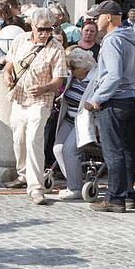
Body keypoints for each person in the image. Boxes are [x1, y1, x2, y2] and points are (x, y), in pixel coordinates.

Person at [2, 8, 68, 205]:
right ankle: (23, 175)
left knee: (33, 141)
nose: (45, 33)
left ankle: (36, 187)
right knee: (18, 139)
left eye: (49, 29)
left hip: (41, 102)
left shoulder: (56, 48)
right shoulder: (20, 40)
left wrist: (45, 88)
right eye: (41, 29)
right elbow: (9, 63)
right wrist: (7, 74)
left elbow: (60, 79)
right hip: (19, 98)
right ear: (32, 26)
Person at [82, 0, 135, 213]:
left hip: (115, 100)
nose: (94, 21)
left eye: (97, 17)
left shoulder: (112, 40)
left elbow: (114, 75)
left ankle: (115, 198)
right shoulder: (131, 38)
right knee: (126, 150)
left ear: (108, 17)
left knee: (114, 151)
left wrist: (97, 98)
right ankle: (128, 195)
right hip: (131, 97)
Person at [53, 49, 98, 200]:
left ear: (85, 68)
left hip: (83, 121)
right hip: (69, 118)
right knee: (58, 149)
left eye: (73, 68)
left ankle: (75, 188)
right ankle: (74, 181)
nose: (70, 70)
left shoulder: (94, 80)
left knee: (69, 151)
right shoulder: (73, 76)